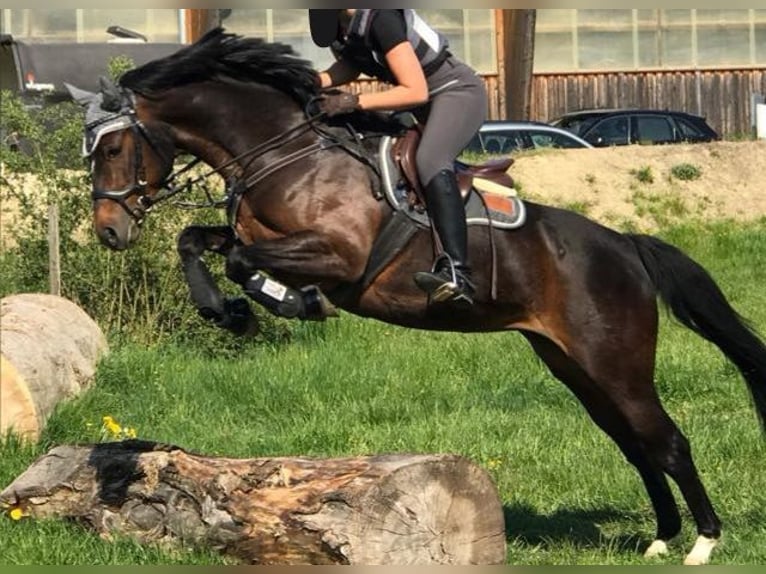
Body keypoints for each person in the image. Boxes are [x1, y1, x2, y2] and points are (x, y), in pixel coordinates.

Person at [309, 9, 488, 305]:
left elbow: (415, 90)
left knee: (430, 160)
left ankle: (458, 273)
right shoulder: (342, 25)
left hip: (455, 93)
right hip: (421, 103)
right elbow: (350, 67)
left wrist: (354, 101)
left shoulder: (381, 18)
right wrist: (309, 82)